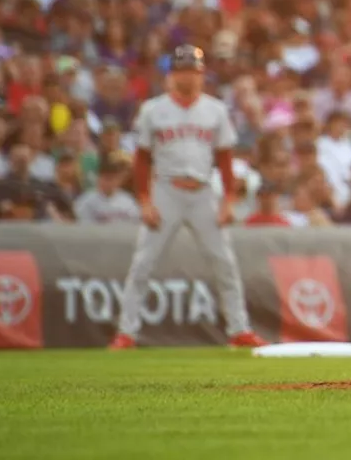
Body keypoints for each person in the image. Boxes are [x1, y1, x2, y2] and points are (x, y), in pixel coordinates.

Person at [108, 46, 266, 350]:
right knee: (143, 263)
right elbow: (141, 160)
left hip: (203, 191)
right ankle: (126, 333)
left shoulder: (215, 110)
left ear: (201, 73)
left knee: (224, 263)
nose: (188, 77)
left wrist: (228, 201)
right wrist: (145, 200)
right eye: (182, 70)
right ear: (172, 74)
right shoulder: (154, 110)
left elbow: (225, 159)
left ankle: (239, 329)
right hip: (166, 190)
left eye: (193, 71)